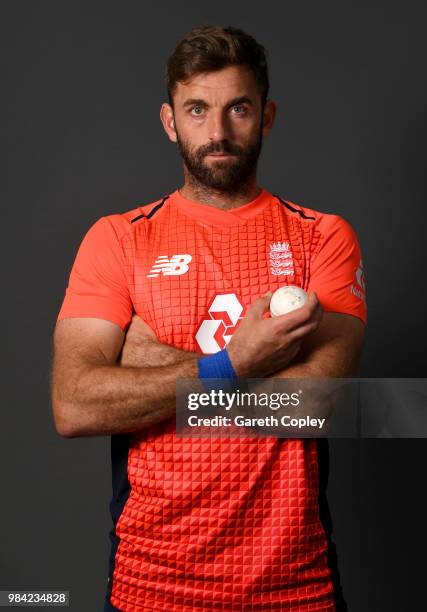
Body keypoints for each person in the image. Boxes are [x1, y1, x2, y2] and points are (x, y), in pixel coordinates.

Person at [51, 25, 366, 612]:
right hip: (152, 586)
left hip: (296, 588)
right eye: (197, 110)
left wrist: (161, 366)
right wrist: (238, 363)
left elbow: (319, 404)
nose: (217, 132)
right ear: (171, 121)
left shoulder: (321, 236)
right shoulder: (118, 240)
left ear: (266, 116)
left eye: (237, 109)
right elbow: (73, 405)